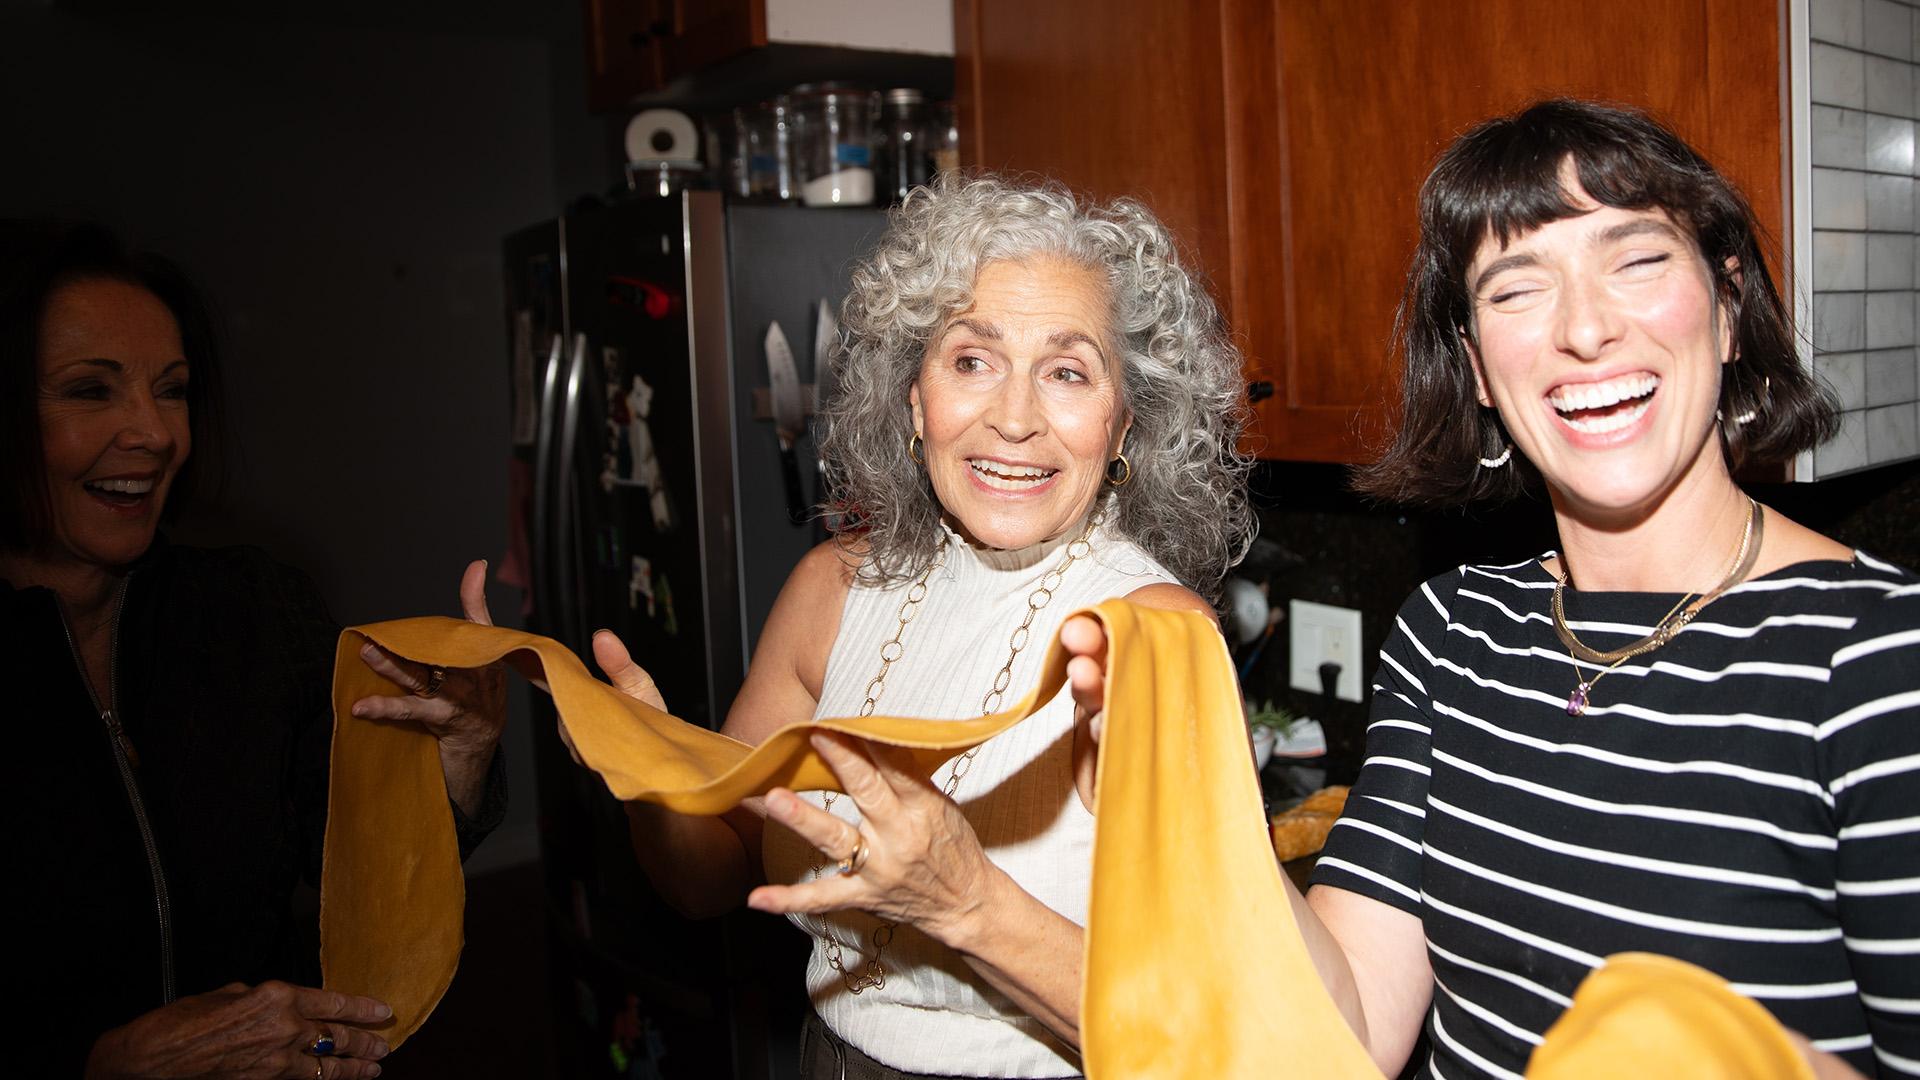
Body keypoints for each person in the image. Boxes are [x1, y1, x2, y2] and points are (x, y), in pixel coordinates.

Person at [1192, 99, 1912, 1078]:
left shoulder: (1879, 662)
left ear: (1730, 306)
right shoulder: (1452, 635)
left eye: (1638, 260)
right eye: (1516, 289)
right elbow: (1342, 1035)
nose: (1583, 329)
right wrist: (1199, 779)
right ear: (1480, 368)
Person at [594, 174, 1253, 1078]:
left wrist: (963, 902)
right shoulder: (831, 589)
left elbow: (1197, 1030)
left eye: (1067, 371)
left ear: (1124, 421)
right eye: (972, 360)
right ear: (913, 399)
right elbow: (711, 877)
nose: (1014, 419)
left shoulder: (1153, 638)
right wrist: (646, 772)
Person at [0, 222, 512, 1079]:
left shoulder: (251, 609)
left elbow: (365, 885)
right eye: (90, 391)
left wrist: (457, 762)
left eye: (172, 391)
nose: (154, 433)